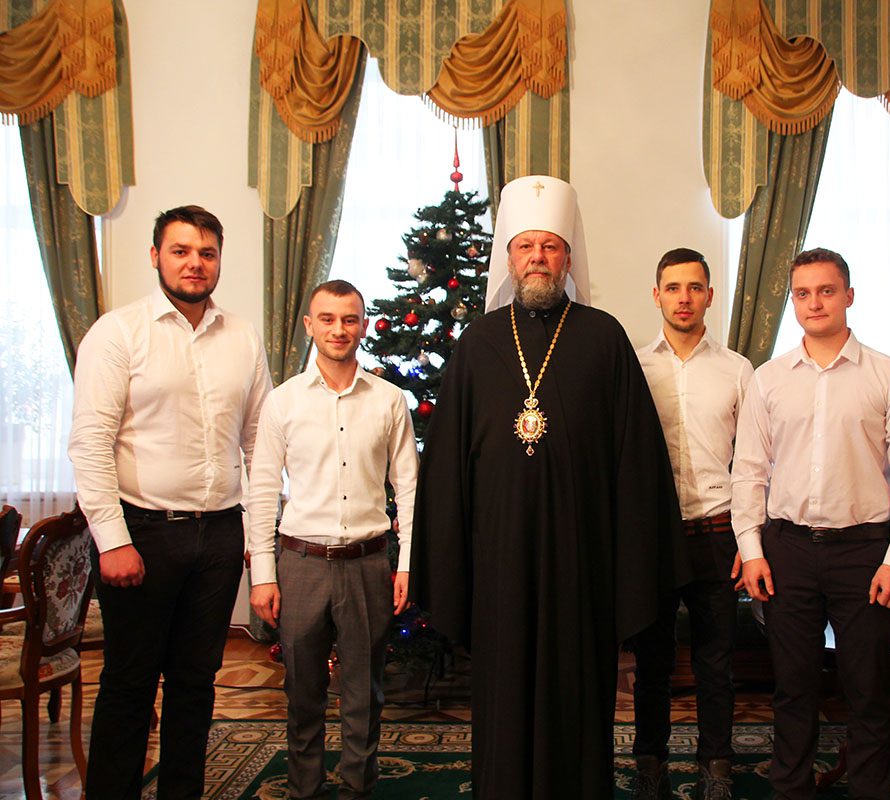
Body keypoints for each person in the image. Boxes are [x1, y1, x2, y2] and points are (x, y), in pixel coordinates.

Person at [411, 174, 689, 800]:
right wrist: (451, 561)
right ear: (509, 258)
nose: (537, 257)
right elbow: (447, 468)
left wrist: (630, 566)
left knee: (576, 689)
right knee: (504, 688)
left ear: (568, 257)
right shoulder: (478, 344)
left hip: (580, 564)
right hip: (499, 562)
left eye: (550, 246)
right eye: (525, 246)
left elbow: (636, 464)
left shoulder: (604, 338)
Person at [69, 205, 271, 799]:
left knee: (196, 682)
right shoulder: (118, 332)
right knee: (129, 684)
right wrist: (113, 541)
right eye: (181, 251)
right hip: (142, 532)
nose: (194, 263)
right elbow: (90, 443)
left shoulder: (242, 336)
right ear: (156, 256)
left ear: (219, 261)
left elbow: (260, 443)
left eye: (207, 253)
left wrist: (259, 537)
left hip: (220, 534)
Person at [733, 248, 890, 800]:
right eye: (803, 293)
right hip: (787, 550)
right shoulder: (768, 380)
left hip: (864, 552)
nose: (814, 303)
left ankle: (869, 791)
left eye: (826, 291)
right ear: (793, 300)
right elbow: (748, 470)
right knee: (793, 688)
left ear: (849, 295)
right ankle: (791, 790)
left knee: (868, 689)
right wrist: (752, 550)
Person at [245, 279, 419, 800]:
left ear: (363, 325)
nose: (338, 329)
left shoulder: (388, 400)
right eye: (327, 319)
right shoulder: (282, 402)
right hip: (301, 564)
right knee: (303, 693)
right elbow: (261, 491)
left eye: (349, 319)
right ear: (309, 325)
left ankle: (357, 789)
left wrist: (407, 563)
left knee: (364, 692)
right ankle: (305, 789)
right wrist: (263, 576)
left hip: (368, 564)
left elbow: (409, 487)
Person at [630, 248, 753, 800]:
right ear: (657, 295)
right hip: (655, 538)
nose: (684, 298)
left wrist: (751, 539)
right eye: (673, 287)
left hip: (717, 533)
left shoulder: (738, 371)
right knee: (652, 662)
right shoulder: (634, 367)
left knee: (715, 663)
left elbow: (754, 461)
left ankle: (715, 768)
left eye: (694, 287)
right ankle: (650, 765)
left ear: (709, 295)